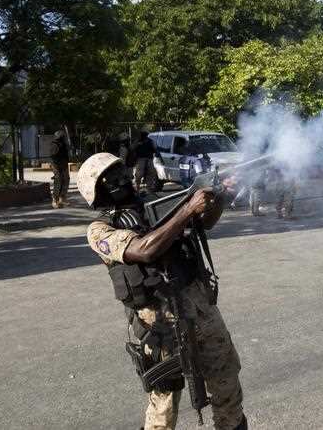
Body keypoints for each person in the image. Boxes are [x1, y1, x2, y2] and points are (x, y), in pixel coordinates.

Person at [77, 153, 247, 430]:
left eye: (121, 172)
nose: (121, 180)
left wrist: (220, 196)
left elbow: (203, 223)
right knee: (164, 403)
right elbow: (143, 250)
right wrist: (187, 210)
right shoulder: (99, 230)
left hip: (200, 305)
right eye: (110, 179)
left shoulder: (156, 204)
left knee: (226, 383)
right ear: (96, 191)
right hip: (158, 320)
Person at [49, 130, 71, 208]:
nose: (64, 138)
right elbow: (53, 157)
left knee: (66, 179)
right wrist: (57, 169)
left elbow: (66, 155)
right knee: (58, 180)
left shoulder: (64, 144)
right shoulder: (54, 144)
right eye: (63, 136)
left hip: (64, 164)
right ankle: (55, 200)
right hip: (56, 164)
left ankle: (62, 199)